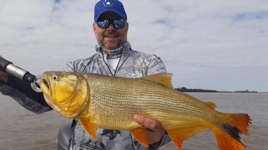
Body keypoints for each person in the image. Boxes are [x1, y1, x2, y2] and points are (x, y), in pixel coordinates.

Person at [0, 0, 171, 149]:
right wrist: (5, 78)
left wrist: (158, 138)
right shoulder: (77, 68)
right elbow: (42, 100)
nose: (110, 28)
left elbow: (172, 115)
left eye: (117, 22)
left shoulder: (150, 64)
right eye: (103, 22)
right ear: (94, 27)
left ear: (126, 26)